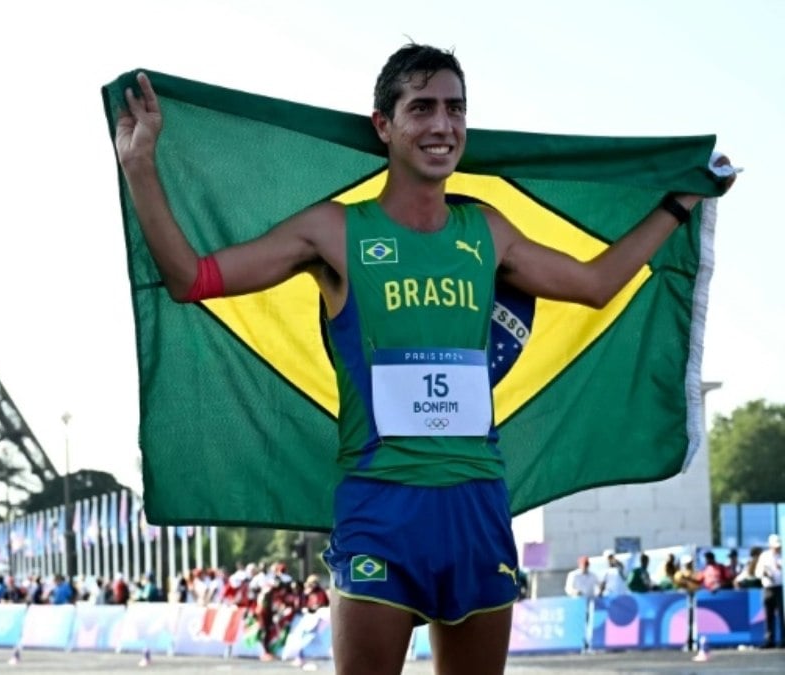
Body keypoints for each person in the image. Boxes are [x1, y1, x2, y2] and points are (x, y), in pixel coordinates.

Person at [113, 43, 735, 675]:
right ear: (384, 124)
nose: (443, 125)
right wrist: (141, 167)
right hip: (381, 510)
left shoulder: (486, 231)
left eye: (456, 109)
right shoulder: (332, 231)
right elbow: (192, 278)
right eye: (422, 108)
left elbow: (596, 283)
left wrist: (678, 203)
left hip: (477, 507)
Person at [755, 534, 783, 648]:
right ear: (770, 546)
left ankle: (783, 639)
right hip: (768, 588)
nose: (777, 549)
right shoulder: (764, 556)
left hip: (780, 588)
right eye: (775, 547)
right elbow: (757, 573)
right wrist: (765, 574)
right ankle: (769, 639)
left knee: (782, 615)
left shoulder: (782, 556)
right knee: (768, 615)